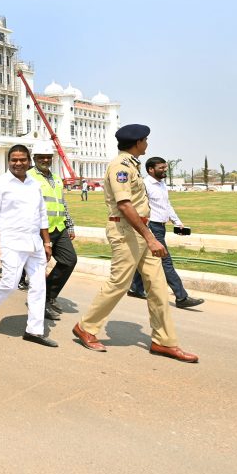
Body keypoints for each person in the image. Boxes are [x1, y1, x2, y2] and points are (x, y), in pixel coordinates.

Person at [72, 124, 198, 363]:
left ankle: (164, 341)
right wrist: (150, 238)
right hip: (126, 231)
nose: (147, 144)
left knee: (158, 287)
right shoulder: (120, 167)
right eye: (146, 140)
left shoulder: (132, 166)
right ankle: (86, 327)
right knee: (119, 283)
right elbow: (125, 205)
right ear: (137, 142)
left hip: (140, 229)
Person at [0, 145, 55, 346]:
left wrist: (47, 241)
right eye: (14, 160)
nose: (18, 163)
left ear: (29, 161)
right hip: (11, 243)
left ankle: (34, 331)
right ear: (9, 161)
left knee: (38, 286)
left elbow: (42, 214)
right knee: (9, 283)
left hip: (35, 243)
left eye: (22, 160)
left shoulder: (35, 184)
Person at [128, 157, 204, 309]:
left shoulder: (162, 184)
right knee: (165, 261)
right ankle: (181, 297)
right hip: (151, 226)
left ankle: (135, 288)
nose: (165, 170)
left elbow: (166, 205)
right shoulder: (145, 185)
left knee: (144, 257)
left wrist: (177, 222)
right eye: (161, 168)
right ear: (151, 169)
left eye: (165, 167)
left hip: (161, 226)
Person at [28, 141, 78, 320]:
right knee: (39, 268)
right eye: (41, 157)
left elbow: (62, 202)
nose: (45, 160)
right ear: (34, 158)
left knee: (69, 260)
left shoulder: (56, 178)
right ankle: (41, 304)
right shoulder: (28, 177)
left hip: (59, 226)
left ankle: (49, 295)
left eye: (48, 157)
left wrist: (69, 224)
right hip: (39, 230)